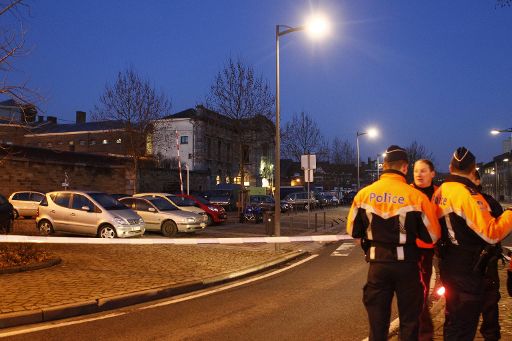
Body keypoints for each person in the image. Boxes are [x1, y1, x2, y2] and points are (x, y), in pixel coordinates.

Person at [347, 145, 440, 341]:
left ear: (384, 166)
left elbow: (352, 231)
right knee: (409, 321)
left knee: (378, 324)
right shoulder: (416, 197)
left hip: (377, 266)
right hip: (407, 266)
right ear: (405, 168)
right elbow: (432, 236)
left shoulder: (363, 195)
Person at [433, 147, 512, 340]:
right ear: (472, 169)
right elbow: (491, 233)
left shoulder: (440, 191)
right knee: (463, 327)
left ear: (451, 167)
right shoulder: (466, 195)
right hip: (469, 269)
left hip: (449, 263)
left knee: (453, 322)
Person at [473, 170, 503, 341]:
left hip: (487, 261)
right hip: (469, 261)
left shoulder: (489, 202)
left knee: (490, 303)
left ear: (477, 181)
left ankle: (491, 336)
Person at [412, 159, 438, 341]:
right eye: (416, 171)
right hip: (412, 250)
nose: (419, 174)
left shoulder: (439, 194)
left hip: (434, 250)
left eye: (423, 171)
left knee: (424, 292)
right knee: (416, 293)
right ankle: (422, 332)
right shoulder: (408, 193)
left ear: (432, 174)